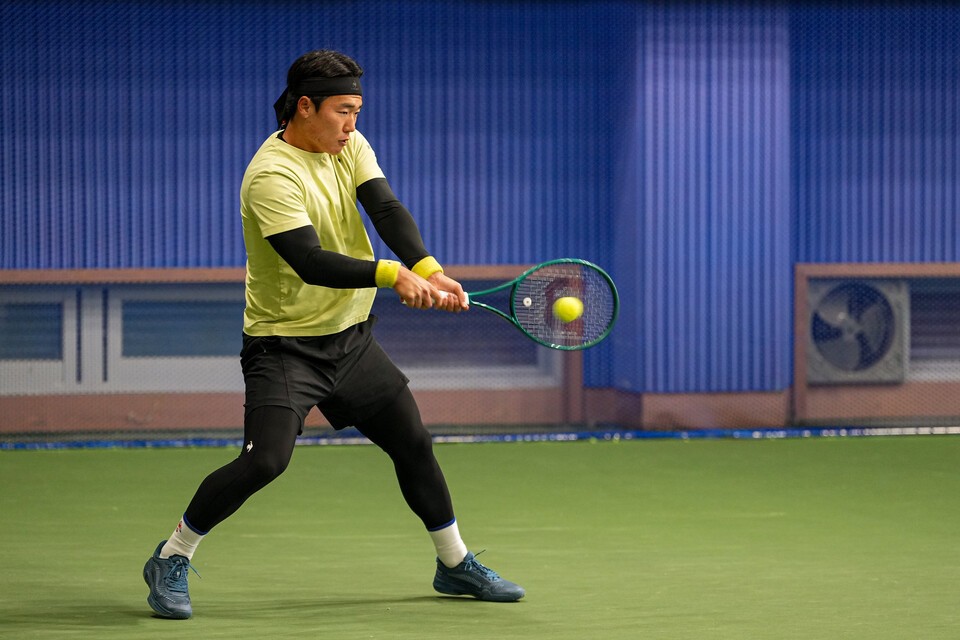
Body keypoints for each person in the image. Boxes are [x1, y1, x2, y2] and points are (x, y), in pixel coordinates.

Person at [143, 49, 524, 619]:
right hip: (284, 348)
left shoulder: (349, 146)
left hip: (350, 340)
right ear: (305, 106)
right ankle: (171, 556)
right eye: (343, 110)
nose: (353, 123)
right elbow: (310, 261)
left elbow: (386, 208)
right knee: (265, 461)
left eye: (357, 111)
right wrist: (391, 275)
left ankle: (453, 563)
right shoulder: (270, 175)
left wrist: (426, 268)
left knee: (412, 442)